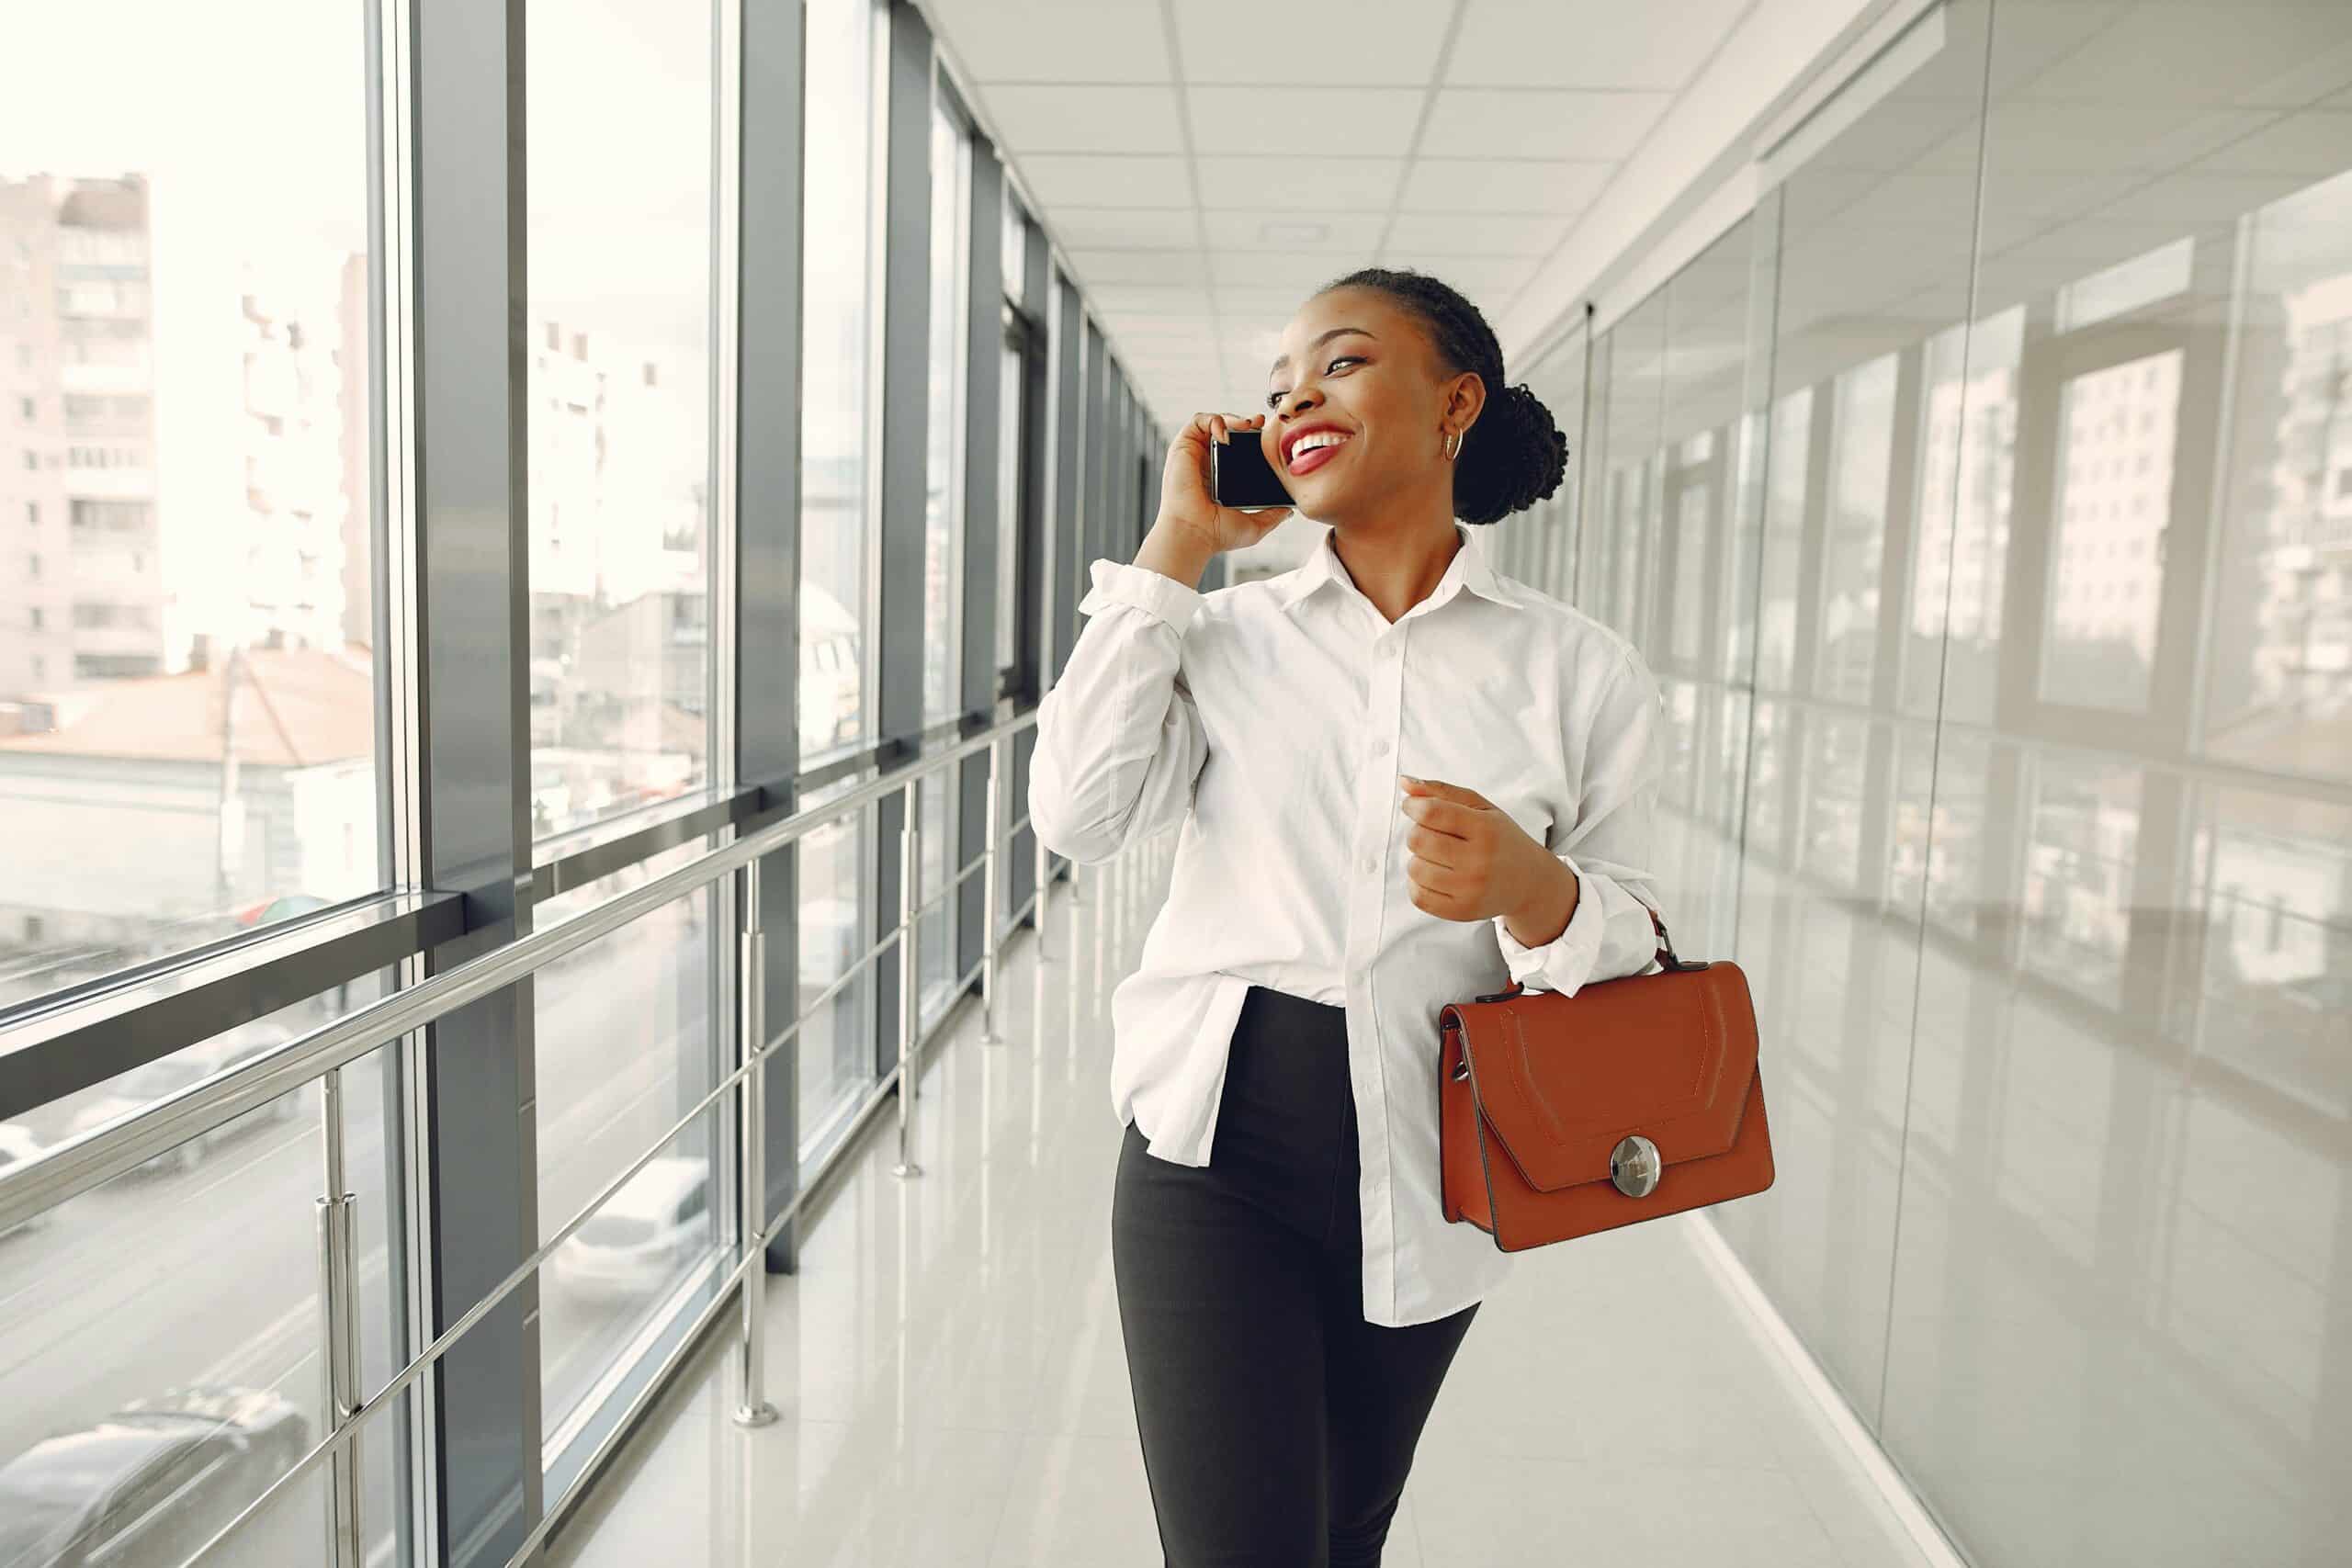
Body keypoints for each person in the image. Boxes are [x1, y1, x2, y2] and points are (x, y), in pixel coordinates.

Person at [1028, 266, 1669, 1567]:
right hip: (1215, 1148)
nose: (1295, 397)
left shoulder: (1578, 670)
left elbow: (1646, 942)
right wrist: (1178, 553)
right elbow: (1078, 816)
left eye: (1340, 363)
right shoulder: (1218, 638)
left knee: (1340, 1533)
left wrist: (1529, 889)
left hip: (1444, 1156)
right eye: (1276, 387)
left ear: (1455, 404)